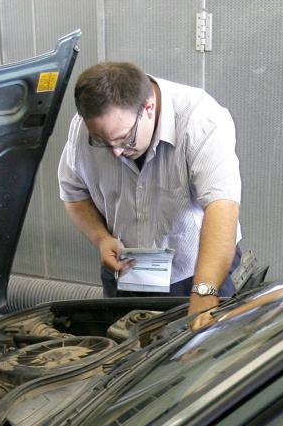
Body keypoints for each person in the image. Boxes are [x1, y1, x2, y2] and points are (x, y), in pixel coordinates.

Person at [58, 62, 242, 317]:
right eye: (103, 142)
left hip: (196, 274)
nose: (116, 152)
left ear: (148, 107)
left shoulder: (201, 119)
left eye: (124, 138)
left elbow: (223, 207)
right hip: (125, 272)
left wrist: (205, 291)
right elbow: (74, 194)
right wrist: (101, 238)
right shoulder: (84, 129)